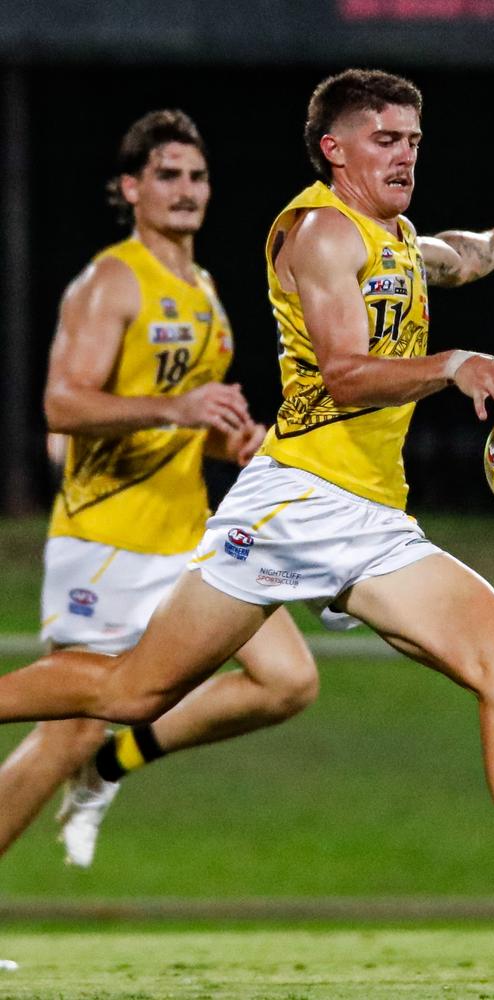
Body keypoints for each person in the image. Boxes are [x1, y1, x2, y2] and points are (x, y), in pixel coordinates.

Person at [0, 71, 494, 951]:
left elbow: (439, 257)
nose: (406, 153)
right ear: (334, 150)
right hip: (296, 502)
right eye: (385, 139)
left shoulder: (391, 237)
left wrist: (493, 249)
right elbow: (344, 371)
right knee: (132, 689)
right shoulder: (316, 233)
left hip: (372, 520)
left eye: (415, 140)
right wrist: (454, 362)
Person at [0, 109, 319, 869]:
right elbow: (62, 404)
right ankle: (94, 757)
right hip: (110, 537)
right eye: (167, 176)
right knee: (72, 726)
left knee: (287, 680)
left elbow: (184, 416)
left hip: (188, 536)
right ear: (130, 189)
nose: (185, 189)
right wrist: (176, 407)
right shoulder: (112, 279)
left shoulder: (202, 290)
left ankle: (115, 763)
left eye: (197, 176)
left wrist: (226, 437)